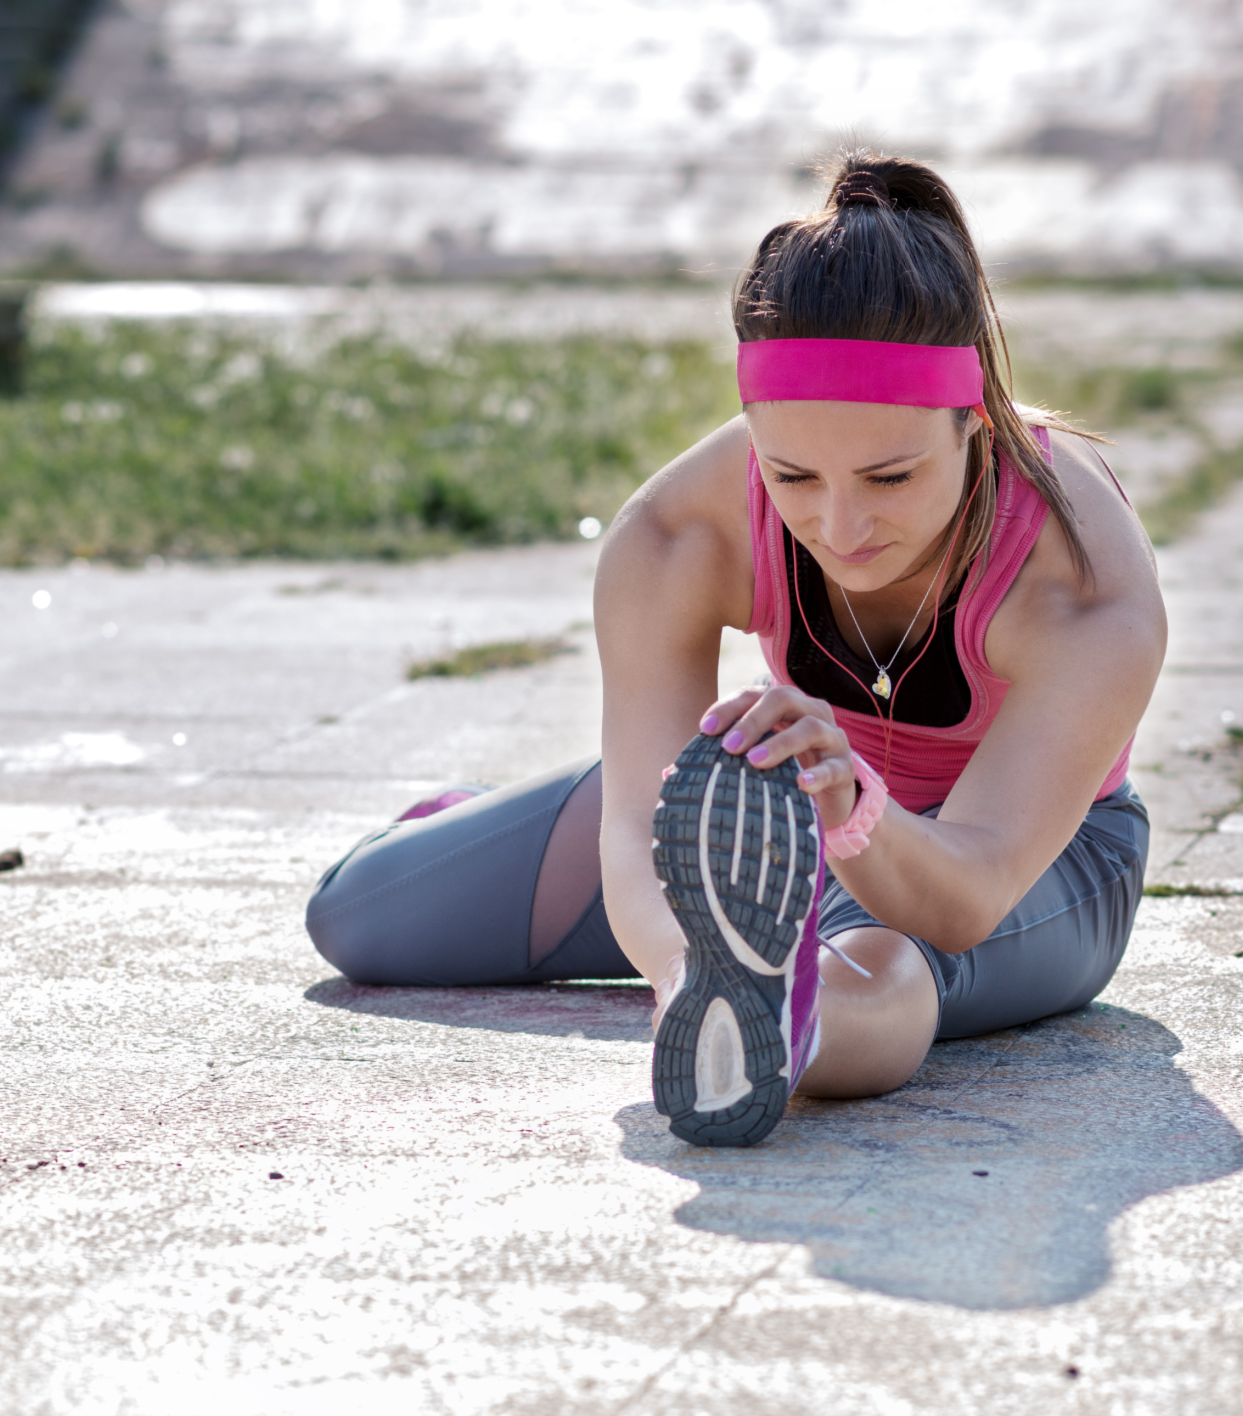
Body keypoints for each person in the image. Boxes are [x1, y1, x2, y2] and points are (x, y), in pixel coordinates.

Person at [306, 152, 1166, 1147]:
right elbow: (637, 833)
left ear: (973, 422)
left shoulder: (1079, 583)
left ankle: (780, 1014)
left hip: (1020, 864)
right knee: (362, 919)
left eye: (889, 478)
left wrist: (853, 807)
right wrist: (684, 986)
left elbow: (969, 893)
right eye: (792, 474)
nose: (840, 525)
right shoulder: (677, 533)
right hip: (775, 812)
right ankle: (734, 979)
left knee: (882, 981)